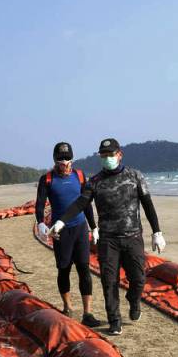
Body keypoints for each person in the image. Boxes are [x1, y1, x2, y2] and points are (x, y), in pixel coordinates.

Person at [50, 138, 165, 336]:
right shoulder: (95, 182)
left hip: (133, 236)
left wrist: (157, 232)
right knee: (109, 281)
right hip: (108, 240)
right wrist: (61, 221)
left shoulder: (135, 176)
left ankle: (134, 300)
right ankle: (115, 320)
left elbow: (147, 204)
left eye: (110, 155)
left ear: (119, 154)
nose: (107, 158)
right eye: (103, 156)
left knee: (138, 279)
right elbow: (80, 203)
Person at [35, 141, 102, 327]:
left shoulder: (80, 176)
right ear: (55, 160)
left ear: (72, 159)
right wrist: (40, 222)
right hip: (60, 232)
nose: (63, 162)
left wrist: (94, 227)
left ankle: (87, 313)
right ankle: (68, 307)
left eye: (66, 158)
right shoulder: (47, 179)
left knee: (84, 269)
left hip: (80, 229)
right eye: (60, 159)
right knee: (63, 269)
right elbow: (39, 204)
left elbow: (86, 203)